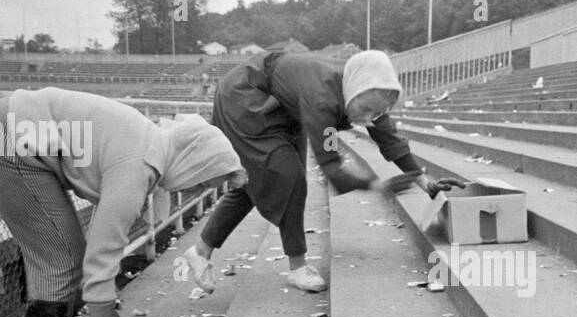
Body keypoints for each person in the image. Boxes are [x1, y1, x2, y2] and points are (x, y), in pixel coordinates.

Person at [0, 87, 245, 317]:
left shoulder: (150, 146)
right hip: (3, 139)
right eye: (203, 180)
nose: (195, 189)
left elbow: (100, 242)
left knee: (64, 259)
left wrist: (104, 297)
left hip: (3, 130)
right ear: (195, 160)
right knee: (60, 261)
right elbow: (103, 253)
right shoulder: (139, 163)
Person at [182, 49, 462, 293]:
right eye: (365, 110)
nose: (367, 119)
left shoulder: (367, 92)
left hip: (280, 105)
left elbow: (389, 138)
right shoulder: (323, 100)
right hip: (245, 98)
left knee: (252, 181)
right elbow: (330, 165)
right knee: (287, 175)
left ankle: (200, 251)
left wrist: (425, 183)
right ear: (355, 91)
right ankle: (297, 266)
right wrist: (376, 186)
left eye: (375, 113)